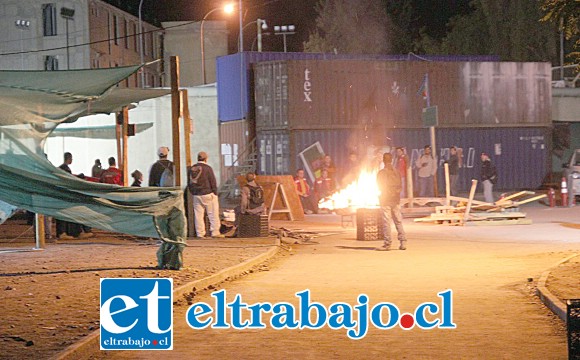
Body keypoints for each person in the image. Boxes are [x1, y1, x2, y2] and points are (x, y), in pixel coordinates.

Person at [56, 152, 92, 239]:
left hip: (62, 195)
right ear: (69, 158)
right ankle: (66, 232)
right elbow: (69, 181)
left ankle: (65, 232)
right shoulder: (65, 169)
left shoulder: (60, 168)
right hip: (66, 196)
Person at [188, 151, 224, 238]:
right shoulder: (207, 168)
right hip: (208, 193)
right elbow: (212, 181)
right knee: (213, 214)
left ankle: (200, 233)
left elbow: (189, 182)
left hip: (196, 195)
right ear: (206, 159)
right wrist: (215, 192)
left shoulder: (192, 168)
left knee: (198, 215)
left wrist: (192, 192)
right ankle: (215, 232)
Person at [376, 152, 407, 251]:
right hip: (396, 200)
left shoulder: (381, 173)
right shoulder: (396, 172)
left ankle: (387, 244)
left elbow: (379, 186)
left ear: (384, 161)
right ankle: (403, 242)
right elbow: (400, 185)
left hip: (386, 200)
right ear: (392, 160)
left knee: (386, 222)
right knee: (398, 221)